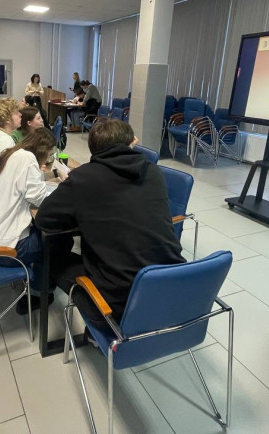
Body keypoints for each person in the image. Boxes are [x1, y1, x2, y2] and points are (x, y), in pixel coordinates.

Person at [35, 120, 186, 329]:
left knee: (52, 255)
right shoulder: (153, 171)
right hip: (170, 288)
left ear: (92, 148)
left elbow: (44, 220)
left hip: (117, 308)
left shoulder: (83, 178)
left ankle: (86, 327)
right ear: (131, 143)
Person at [0, 128, 67, 313]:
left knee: (42, 232)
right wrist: (63, 194)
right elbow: (39, 199)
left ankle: (38, 281)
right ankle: (39, 294)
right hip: (7, 250)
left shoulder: (12, 154)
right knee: (56, 241)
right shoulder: (28, 159)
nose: (48, 159)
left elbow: (24, 184)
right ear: (43, 150)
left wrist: (50, 175)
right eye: (49, 154)